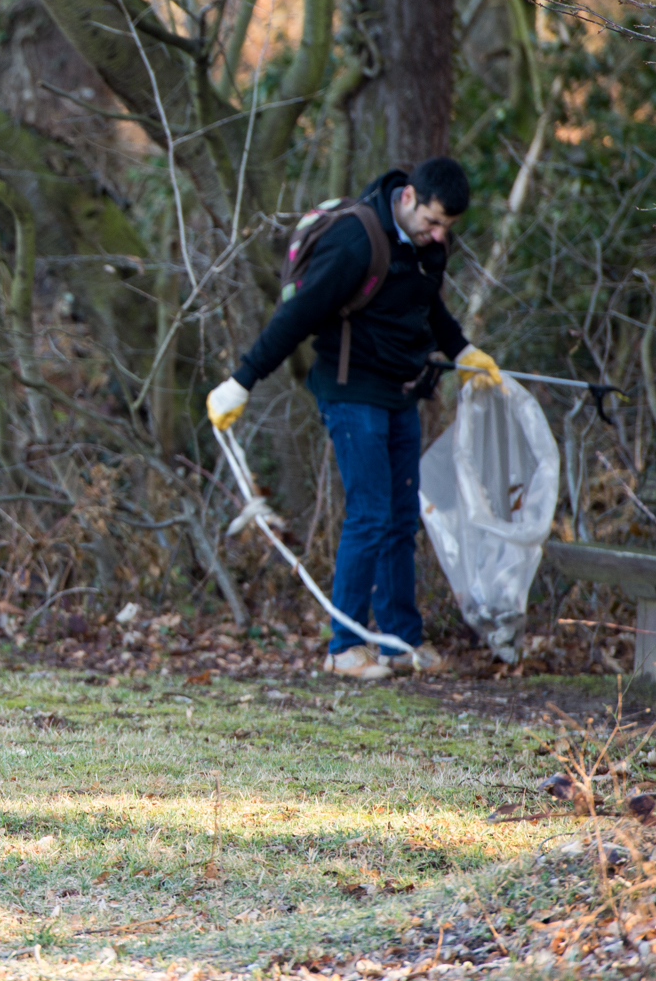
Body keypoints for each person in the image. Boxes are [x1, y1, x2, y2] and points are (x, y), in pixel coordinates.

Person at [205, 157, 501, 680]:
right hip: (350, 391)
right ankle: (344, 647)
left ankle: (400, 642)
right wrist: (241, 381)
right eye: (432, 221)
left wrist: (462, 351)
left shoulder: (429, 247)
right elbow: (297, 316)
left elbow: (428, 306)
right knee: (369, 514)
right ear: (408, 197)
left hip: (400, 392)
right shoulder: (356, 242)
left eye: (447, 227)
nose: (438, 235)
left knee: (401, 517)